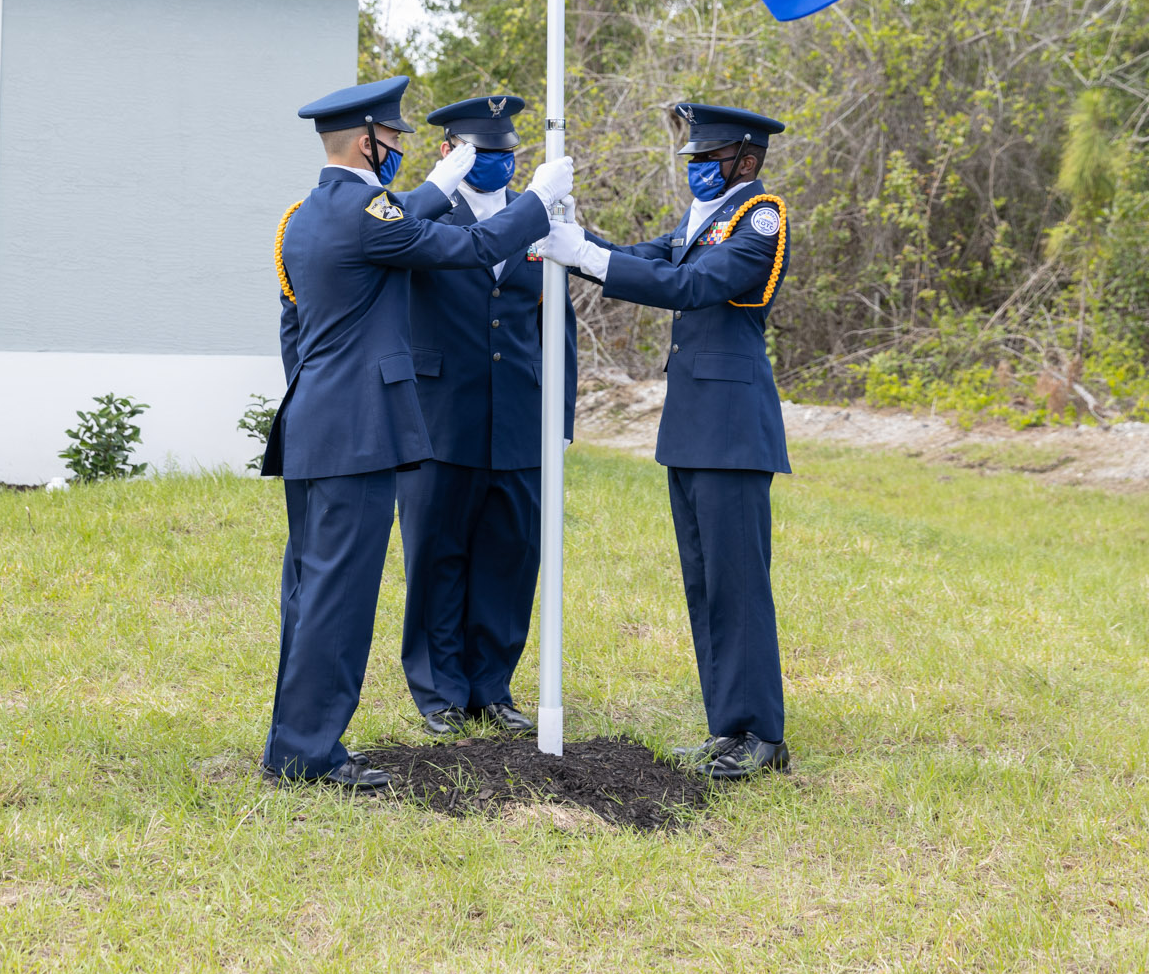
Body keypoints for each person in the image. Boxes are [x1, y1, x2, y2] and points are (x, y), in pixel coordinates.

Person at [261, 75, 573, 792]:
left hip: (318, 425)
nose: (398, 150)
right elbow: (472, 245)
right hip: (359, 430)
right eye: (393, 139)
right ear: (368, 141)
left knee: (309, 594)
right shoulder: (368, 210)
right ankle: (310, 753)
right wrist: (537, 197)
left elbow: (400, 215)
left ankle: (293, 744)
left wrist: (437, 180)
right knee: (337, 599)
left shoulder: (312, 211)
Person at [535, 102, 791, 782]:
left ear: (745, 159)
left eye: (708, 161)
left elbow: (691, 285)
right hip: (694, 424)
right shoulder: (698, 222)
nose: (697, 172)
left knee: (738, 585)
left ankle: (761, 734)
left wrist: (584, 254)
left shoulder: (758, 219)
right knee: (705, 584)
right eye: (693, 162)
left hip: (732, 429)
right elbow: (641, 259)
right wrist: (571, 237)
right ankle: (726, 728)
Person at [397, 94, 577, 737]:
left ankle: (491, 687)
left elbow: (558, 324)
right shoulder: (427, 215)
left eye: (506, 155)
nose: (497, 164)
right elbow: (463, 252)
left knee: (509, 554)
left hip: (518, 418)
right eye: (483, 153)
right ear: (451, 151)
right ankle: (439, 690)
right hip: (440, 415)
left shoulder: (541, 221)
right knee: (438, 554)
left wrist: (560, 421)